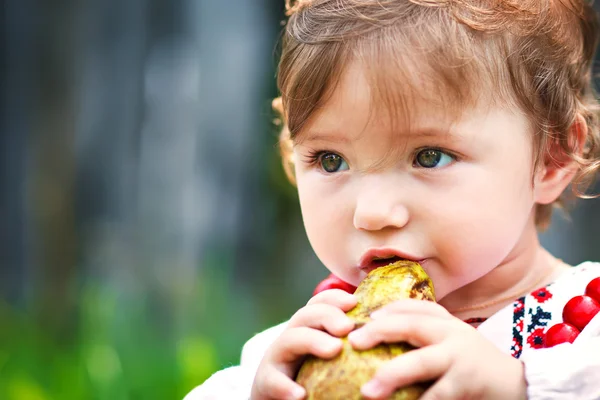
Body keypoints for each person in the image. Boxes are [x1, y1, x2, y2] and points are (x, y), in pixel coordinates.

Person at [186, 0, 600, 398]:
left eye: (429, 157)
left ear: (551, 157)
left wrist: (519, 388)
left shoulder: (585, 339)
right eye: (331, 161)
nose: (372, 213)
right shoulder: (302, 349)